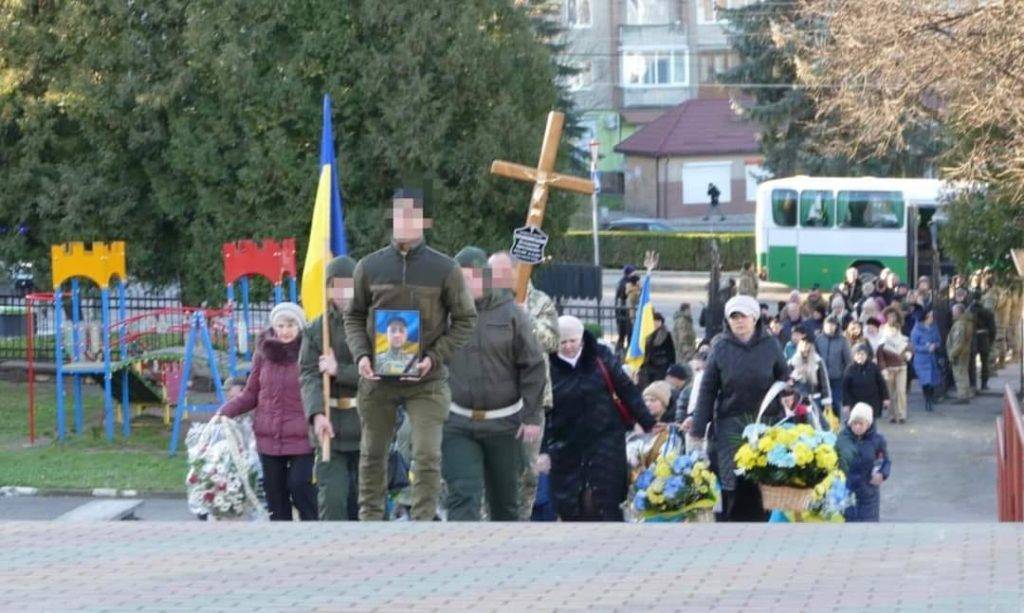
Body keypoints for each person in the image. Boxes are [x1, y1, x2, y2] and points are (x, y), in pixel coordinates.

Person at [344, 187, 477, 521]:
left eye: (411, 215)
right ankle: (370, 521)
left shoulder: (445, 269)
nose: (403, 222)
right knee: (373, 453)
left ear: (423, 221)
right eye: (398, 214)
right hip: (378, 380)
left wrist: (434, 356)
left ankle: (422, 524)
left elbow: (465, 319)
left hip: (426, 381)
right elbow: (354, 315)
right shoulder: (369, 266)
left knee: (427, 454)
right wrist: (361, 355)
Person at [442, 247, 546, 522]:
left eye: (473, 277)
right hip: (458, 422)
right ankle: (459, 557)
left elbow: (533, 366)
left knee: (505, 503)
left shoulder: (511, 313)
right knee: (463, 494)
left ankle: (503, 559)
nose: (467, 284)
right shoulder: (444, 314)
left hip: (503, 424)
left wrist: (532, 416)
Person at [540, 315, 657, 521]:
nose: (568, 347)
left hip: (605, 438)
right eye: (562, 342)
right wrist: (542, 451)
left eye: (572, 341)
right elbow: (539, 410)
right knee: (570, 503)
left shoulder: (600, 356)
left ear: (582, 339)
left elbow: (626, 389)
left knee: (607, 498)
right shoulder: (546, 366)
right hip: (565, 443)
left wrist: (648, 422)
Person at [685, 295, 788, 522]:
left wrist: (790, 394)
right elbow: (708, 390)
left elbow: (785, 377)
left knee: (763, 478)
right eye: (734, 317)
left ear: (755, 318)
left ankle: (764, 522)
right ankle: (731, 523)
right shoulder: (720, 347)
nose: (739, 322)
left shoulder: (770, 345)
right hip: (731, 422)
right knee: (731, 479)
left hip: (766, 423)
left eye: (743, 316)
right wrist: (698, 429)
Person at [219, 302, 317, 521]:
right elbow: (251, 392)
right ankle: (281, 544)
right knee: (275, 498)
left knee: (300, 486)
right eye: (280, 325)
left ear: (300, 326)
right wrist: (224, 412)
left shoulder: (309, 352)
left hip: (302, 436)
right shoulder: (263, 354)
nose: (285, 331)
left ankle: (314, 533)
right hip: (269, 437)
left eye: (290, 325)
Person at [300, 256, 361, 521]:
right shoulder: (317, 329)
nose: (343, 293)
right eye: (336, 286)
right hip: (331, 427)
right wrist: (316, 414)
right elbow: (309, 374)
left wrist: (341, 371)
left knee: (367, 502)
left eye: (349, 285)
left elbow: (383, 372)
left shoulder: (373, 324)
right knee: (333, 502)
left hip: (367, 425)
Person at [837, 403, 891, 522]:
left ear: (869, 424)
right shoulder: (842, 439)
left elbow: (885, 461)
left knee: (868, 527)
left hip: (868, 492)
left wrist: (882, 473)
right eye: (854, 423)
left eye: (861, 423)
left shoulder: (877, 440)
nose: (857, 427)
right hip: (847, 491)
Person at [878, 306, 912, 424]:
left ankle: (902, 414)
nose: (891, 318)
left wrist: (908, 354)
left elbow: (910, 345)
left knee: (901, 391)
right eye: (889, 316)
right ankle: (892, 415)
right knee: (890, 392)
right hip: (888, 366)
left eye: (894, 316)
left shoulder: (902, 329)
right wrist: (883, 368)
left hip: (901, 366)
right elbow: (880, 352)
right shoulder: (882, 331)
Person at [842, 343, 890, 420]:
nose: (860, 356)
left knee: (871, 425)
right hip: (856, 402)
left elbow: (881, 383)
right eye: (857, 354)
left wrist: (886, 398)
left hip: (872, 401)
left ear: (867, 355)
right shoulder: (849, 369)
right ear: (853, 356)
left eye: (862, 354)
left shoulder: (873, 367)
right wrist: (846, 404)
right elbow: (845, 388)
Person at [815, 316, 852, 410]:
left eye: (832, 325)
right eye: (827, 325)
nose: (830, 327)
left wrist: (845, 374)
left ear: (836, 326)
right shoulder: (819, 340)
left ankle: (839, 423)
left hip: (837, 378)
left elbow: (848, 360)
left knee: (836, 403)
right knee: (822, 403)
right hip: (822, 378)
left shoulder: (843, 340)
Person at [911, 308, 942, 412]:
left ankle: (931, 399)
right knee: (925, 381)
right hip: (921, 359)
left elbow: (938, 340)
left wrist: (935, 345)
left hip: (932, 359)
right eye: (930, 316)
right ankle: (927, 400)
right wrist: (926, 348)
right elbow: (914, 346)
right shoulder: (916, 330)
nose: (932, 318)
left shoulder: (934, 327)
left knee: (932, 381)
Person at [638, 312, 675, 388]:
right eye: (654, 321)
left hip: (662, 363)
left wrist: (671, 363)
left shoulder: (666, 334)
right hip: (649, 363)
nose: (656, 323)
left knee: (658, 383)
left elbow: (670, 349)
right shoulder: (647, 333)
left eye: (658, 321)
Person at [946, 303, 973, 403]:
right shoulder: (966, 322)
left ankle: (962, 396)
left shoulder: (960, 325)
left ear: (958, 312)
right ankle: (965, 394)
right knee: (963, 373)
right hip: (964, 352)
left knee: (960, 374)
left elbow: (959, 342)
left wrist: (952, 354)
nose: (952, 314)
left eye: (953, 312)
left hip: (959, 354)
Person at [971, 299, 997, 392]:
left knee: (971, 363)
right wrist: (990, 341)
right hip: (984, 339)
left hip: (972, 339)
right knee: (984, 363)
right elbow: (993, 330)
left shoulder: (970, 312)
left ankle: (972, 384)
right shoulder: (988, 313)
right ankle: (984, 384)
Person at [614, 265, 637, 354]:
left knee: (625, 333)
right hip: (624, 312)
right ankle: (622, 352)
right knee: (625, 333)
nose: (635, 275)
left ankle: (622, 351)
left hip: (623, 311)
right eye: (633, 273)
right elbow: (625, 296)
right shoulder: (625, 283)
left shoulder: (625, 281)